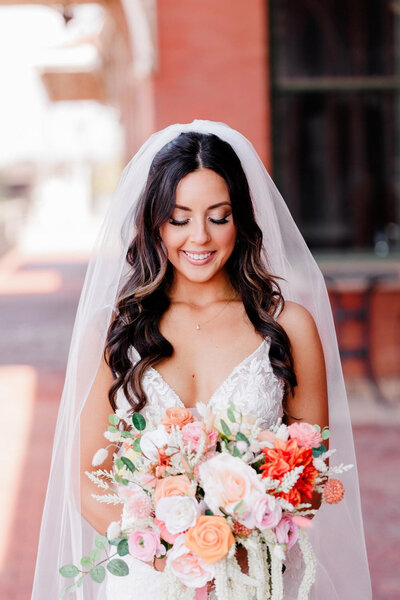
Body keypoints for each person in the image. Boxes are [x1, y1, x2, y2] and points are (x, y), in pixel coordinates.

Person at [31, 120, 372, 600]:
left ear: (242, 220)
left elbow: (310, 477)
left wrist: (238, 538)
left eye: (219, 216)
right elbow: (90, 480)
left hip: (256, 576)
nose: (200, 238)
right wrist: (176, 554)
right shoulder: (112, 333)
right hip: (149, 580)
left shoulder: (289, 326)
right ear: (155, 223)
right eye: (179, 218)